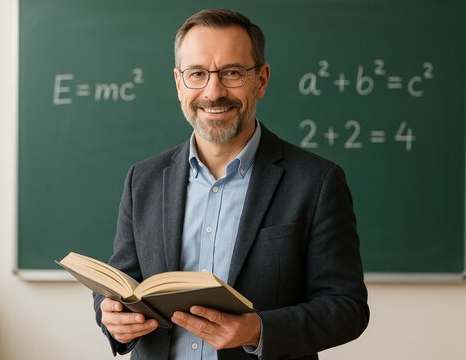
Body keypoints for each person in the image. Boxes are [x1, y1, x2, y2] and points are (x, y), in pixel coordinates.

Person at [93, 8, 369, 360]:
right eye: (197, 74)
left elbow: (347, 309)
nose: (214, 91)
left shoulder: (316, 181)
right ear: (179, 83)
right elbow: (122, 282)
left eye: (232, 73)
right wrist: (111, 315)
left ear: (262, 80)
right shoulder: (143, 179)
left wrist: (258, 330)